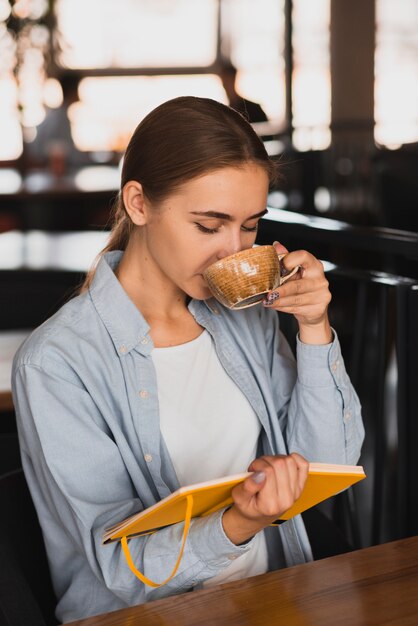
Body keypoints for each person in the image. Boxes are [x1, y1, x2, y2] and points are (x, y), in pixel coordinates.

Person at [12, 96, 364, 623]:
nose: (233, 252)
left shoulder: (248, 318)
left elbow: (322, 470)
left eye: (248, 227)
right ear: (138, 203)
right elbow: (121, 568)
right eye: (208, 225)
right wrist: (239, 522)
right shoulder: (57, 364)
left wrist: (314, 329)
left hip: (272, 600)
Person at [25, 72, 89, 172]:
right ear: (73, 90)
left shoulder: (57, 114)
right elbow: (68, 152)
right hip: (48, 171)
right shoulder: (60, 118)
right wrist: (89, 159)